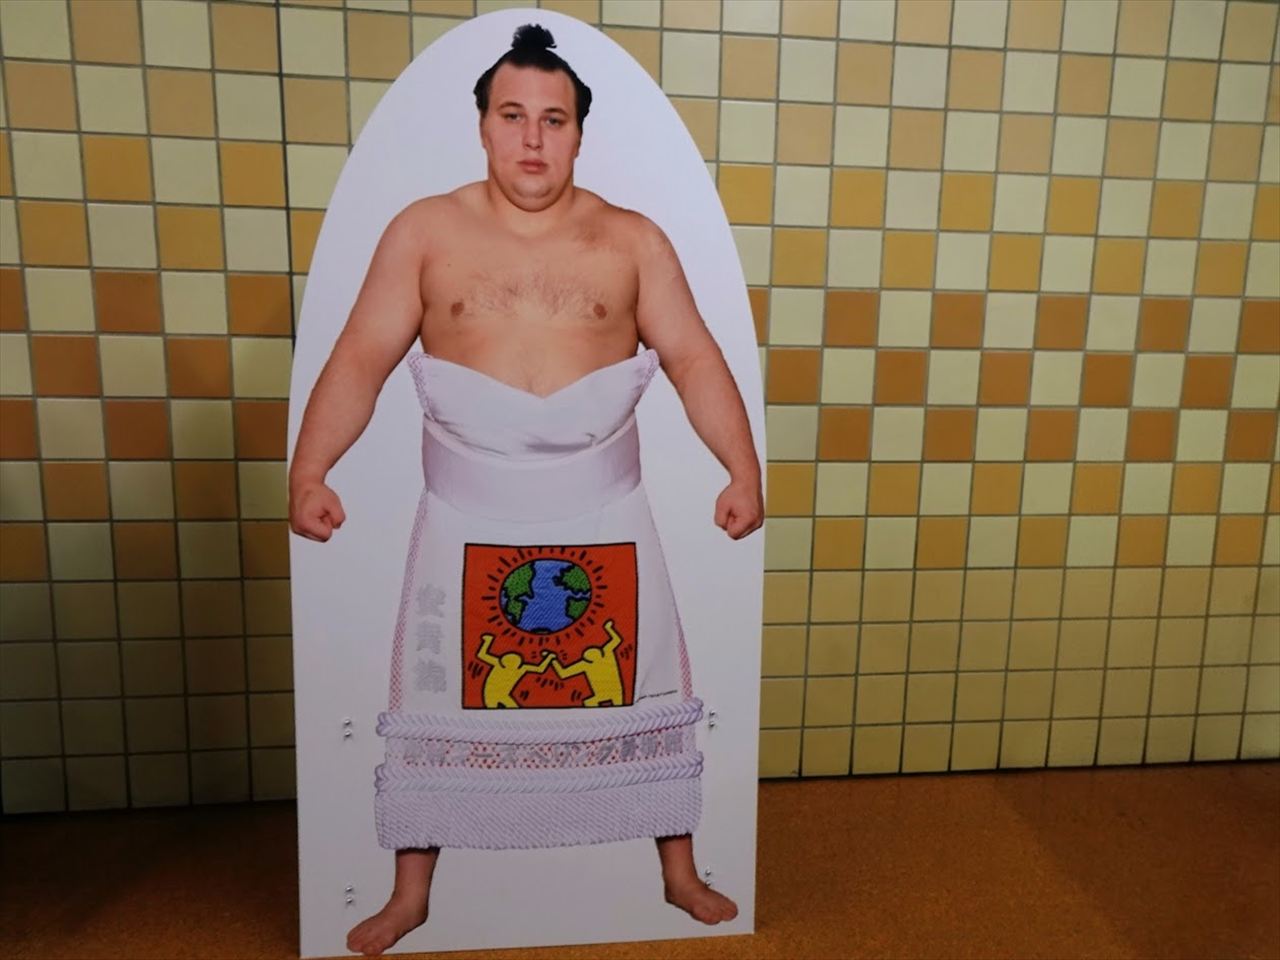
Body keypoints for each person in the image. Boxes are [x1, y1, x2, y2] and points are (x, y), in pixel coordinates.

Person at [289, 24, 762, 957]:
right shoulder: (424, 232)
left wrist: (742, 469)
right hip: (467, 514)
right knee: (440, 699)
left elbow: (694, 357)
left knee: (639, 685)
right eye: (513, 116)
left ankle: (677, 872)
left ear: (581, 132)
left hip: (605, 510)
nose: (533, 138)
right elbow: (360, 356)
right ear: (482, 125)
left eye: (554, 119)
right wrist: (311, 470)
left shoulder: (633, 240)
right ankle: (411, 893)